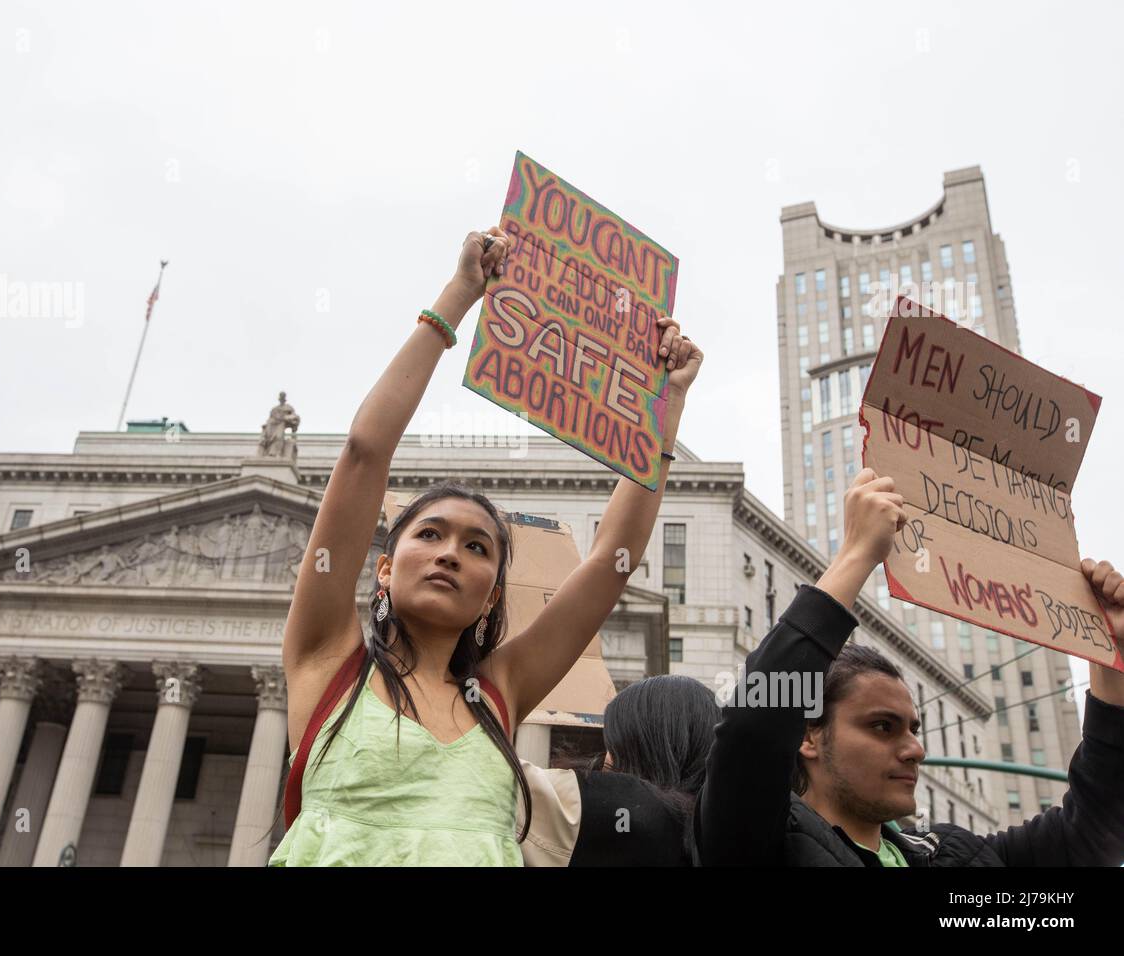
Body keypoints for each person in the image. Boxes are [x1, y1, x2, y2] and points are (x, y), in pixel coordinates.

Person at [269, 226, 703, 865]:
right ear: (383, 568)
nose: (450, 553)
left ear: (493, 591)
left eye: (478, 548)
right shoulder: (326, 662)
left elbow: (614, 559)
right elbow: (365, 454)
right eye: (430, 534)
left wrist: (665, 406)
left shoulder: (501, 690)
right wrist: (459, 295)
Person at [695, 467, 1124, 867]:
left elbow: (1092, 830)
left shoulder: (953, 854)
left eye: (912, 729)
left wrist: (1111, 656)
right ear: (808, 734)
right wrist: (858, 554)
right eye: (883, 726)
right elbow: (753, 728)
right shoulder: (757, 840)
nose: (915, 750)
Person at [520, 674, 721, 866]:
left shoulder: (634, 811)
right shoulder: (714, 834)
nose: (605, 760)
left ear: (642, 749)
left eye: (612, 747)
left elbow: (505, 786)